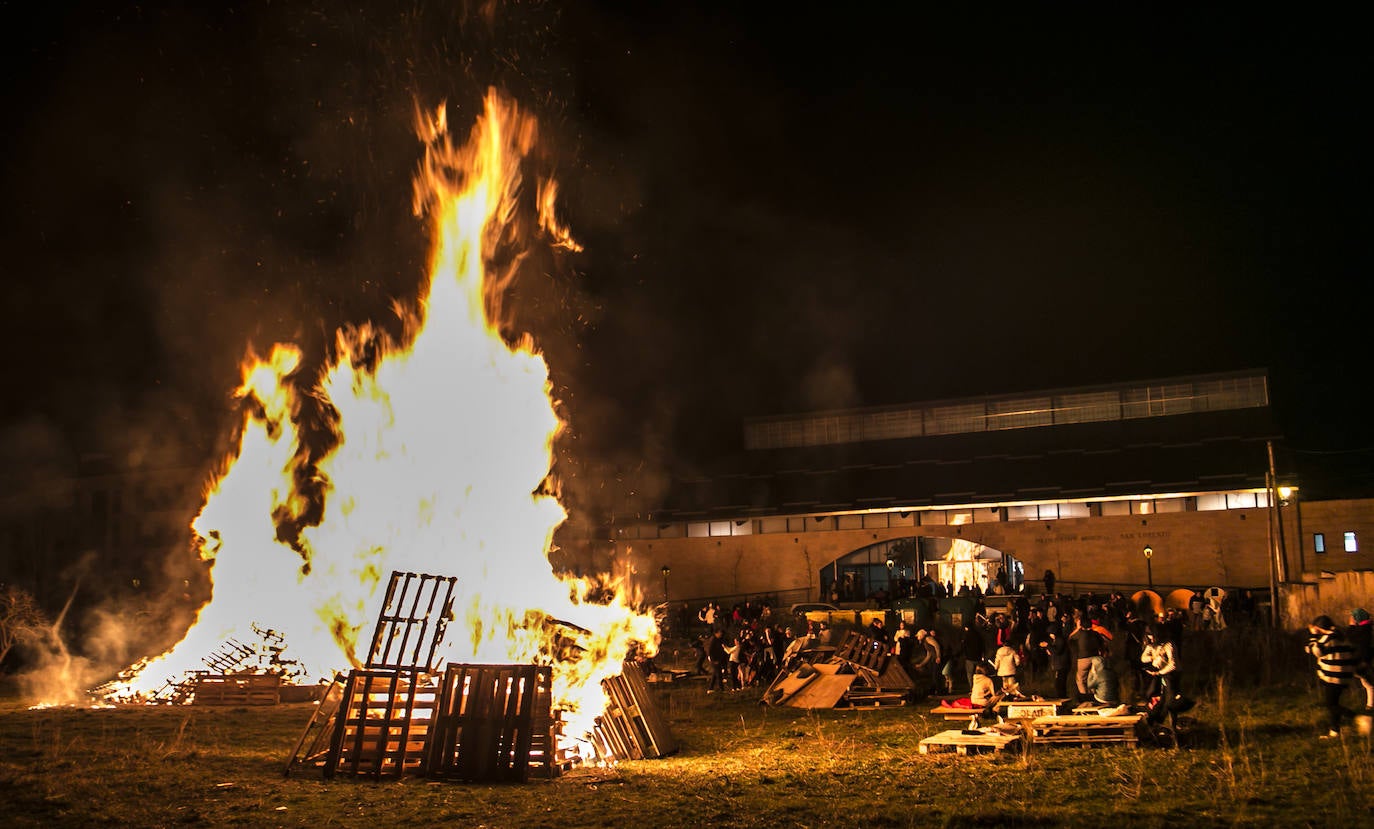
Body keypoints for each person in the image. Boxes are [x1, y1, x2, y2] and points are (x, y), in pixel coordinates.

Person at [1307, 615, 1357, 737]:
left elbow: (1316, 651)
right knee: (1334, 703)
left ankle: (1359, 718)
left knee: (1331, 705)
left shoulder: (1328, 638)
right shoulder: (1341, 636)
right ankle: (1334, 731)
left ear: (1319, 627)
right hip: (1344, 676)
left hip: (1333, 676)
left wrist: (1313, 635)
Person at [1141, 623, 1184, 726]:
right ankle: (1155, 721)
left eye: (1152, 635)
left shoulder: (1169, 645)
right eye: (1148, 635)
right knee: (1152, 696)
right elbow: (1143, 658)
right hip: (1159, 675)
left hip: (1170, 675)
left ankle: (1172, 725)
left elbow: (1173, 665)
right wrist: (1153, 657)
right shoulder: (1152, 646)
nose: (1150, 638)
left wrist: (1159, 672)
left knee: (1170, 700)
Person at [1069, 615, 1105, 703]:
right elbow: (1102, 644)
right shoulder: (1096, 634)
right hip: (1096, 658)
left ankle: (1085, 697)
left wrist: (1077, 628)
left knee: (1080, 679)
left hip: (1083, 658)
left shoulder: (1080, 633)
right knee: (1093, 677)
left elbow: (1070, 637)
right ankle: (1094, 696)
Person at [1347, 608, 1374, 712]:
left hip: (1361, 661)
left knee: (1368, 683)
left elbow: (1351, 637)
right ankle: (1370, 707)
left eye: (1352, 617)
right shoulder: (1366, 628)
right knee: (1368, 684)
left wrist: (1351, 625)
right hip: (1364, 661)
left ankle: (1370, 707)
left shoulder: (1364, 630)